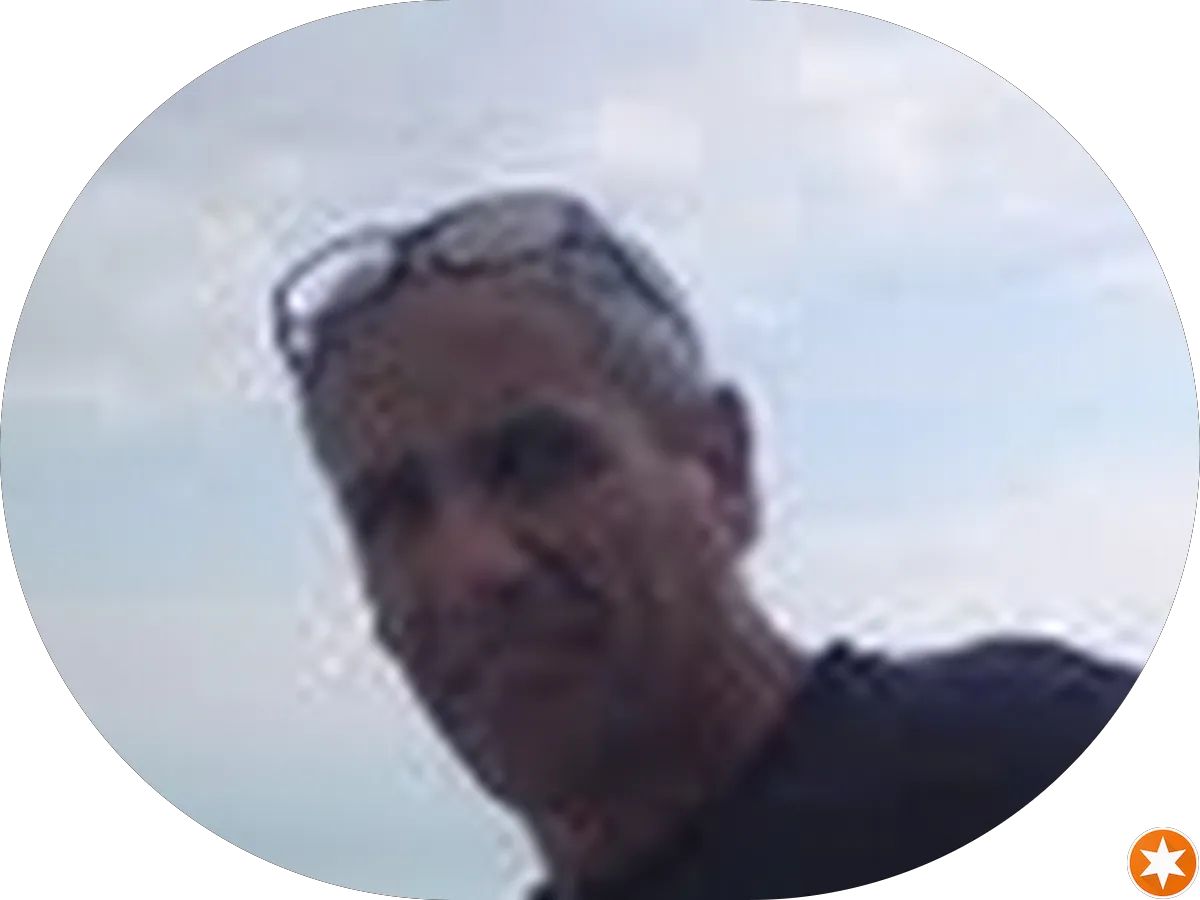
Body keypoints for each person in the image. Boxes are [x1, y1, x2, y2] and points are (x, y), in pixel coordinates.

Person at [270, 189, 1140, 900]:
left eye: (535, 463)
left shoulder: (1027, 753)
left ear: (723, 469)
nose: (469, 565)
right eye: (392, 513)